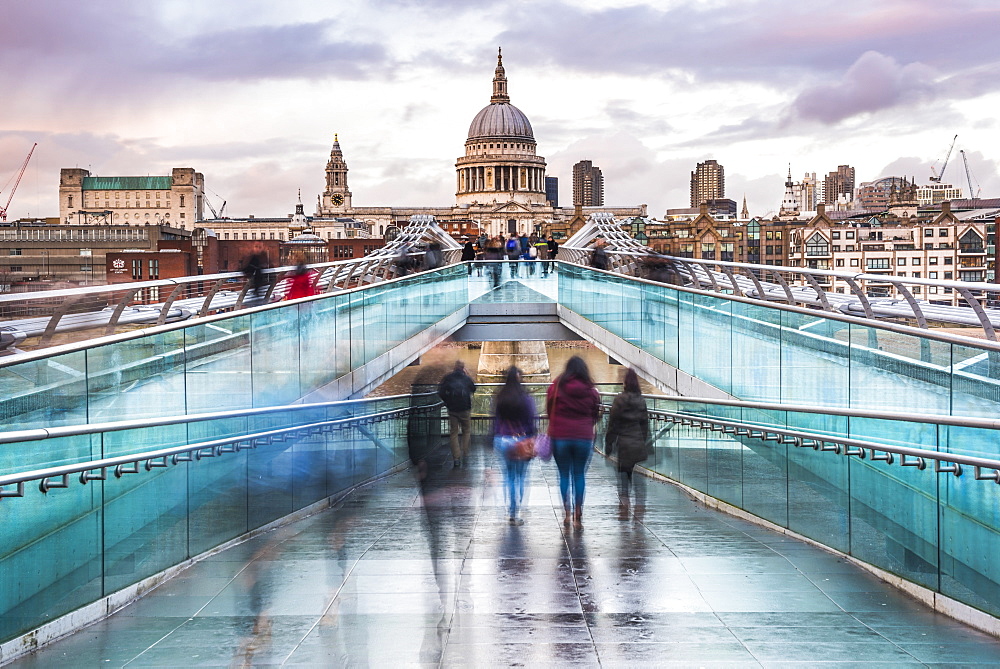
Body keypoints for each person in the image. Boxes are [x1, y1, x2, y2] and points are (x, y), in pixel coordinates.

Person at [546, 355, 600, 530]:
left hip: (560, 436)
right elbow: (595, 413)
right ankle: (578, 511)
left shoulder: (556, 386)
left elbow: (549, 409)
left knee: (563, 475)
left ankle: (567, 513)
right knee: (579, 474)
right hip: (583, 437)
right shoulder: (591, 390)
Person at [604, 368, 651, 520]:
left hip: (623, 443)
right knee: (638, 479)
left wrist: (609, 444)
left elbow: (612, 425)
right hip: (637, 443)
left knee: (623, 476)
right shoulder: (641, 400)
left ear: (624, 383)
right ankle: (639, 509)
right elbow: (645, 425)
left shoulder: (619, 400)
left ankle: (624, 507)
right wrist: (644, 442)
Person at [493, 366, 536, 525]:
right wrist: (531, 438)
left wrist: (495, 437)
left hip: (503, 440)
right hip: (521, 440)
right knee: (522, 477)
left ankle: (510, 511)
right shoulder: (525, 398)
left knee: (509, 476)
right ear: (519, 378)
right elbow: (531, 421)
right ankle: (518, 509)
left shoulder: (501, 397)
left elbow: (496, 421)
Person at [438, 360, 477, 467]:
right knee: (466, 431)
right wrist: (468, 374)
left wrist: (447, 402)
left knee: (453, 433)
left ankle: (456, 458)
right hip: (465, 408)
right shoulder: (466, 378)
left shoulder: (448, 377)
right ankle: (465, 453)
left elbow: (440, 391)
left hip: (452, 409)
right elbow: (473, 388)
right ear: (463, 367)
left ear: (454, 367)